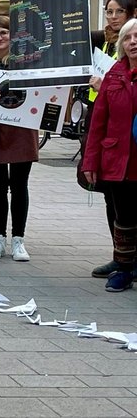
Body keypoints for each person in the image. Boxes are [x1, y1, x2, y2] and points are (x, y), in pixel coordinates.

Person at [81, 17, 137, 291]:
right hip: (118, 159)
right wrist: (90, 161)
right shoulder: (114, 73)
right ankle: (124, 269)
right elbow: (98, 122)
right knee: (122, 216)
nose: (132, 42)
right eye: (128, 38)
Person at [0, 16, 37, 261]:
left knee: (20, 185)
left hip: (22, 129)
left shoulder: (29, 62)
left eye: (4, 33)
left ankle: (18, 239)